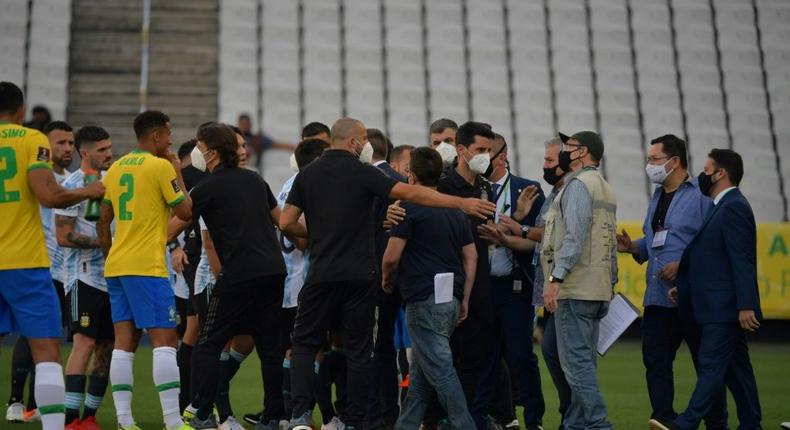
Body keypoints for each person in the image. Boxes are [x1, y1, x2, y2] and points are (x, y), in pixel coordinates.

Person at [279, 117, 495, 430]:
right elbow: (414, 193)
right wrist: (460, 202)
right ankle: (355, 419)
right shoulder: (364, 174)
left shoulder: (307, 175)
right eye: (363, 138)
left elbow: (286, 222)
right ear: (353, 142)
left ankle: (300, 416)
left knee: (304, 342)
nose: (366, 144)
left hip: (321, 273)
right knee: (359, 348)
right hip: (359, 275)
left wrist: (313, 236)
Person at [164, 124, 284, 430]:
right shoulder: (255, 179)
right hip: (273, 271)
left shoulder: (207, 186)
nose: (197, 154)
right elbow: (283, 221)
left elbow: (181, 217)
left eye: (201, 148)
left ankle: (201, 411)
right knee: (270, 348)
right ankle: (272, 417)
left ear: (213, 153)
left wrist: (176, 172)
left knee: (208, 342)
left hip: (239, 275)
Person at [0, 81, 105, 430]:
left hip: (49, 265)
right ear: (20, 110)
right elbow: (48, 196)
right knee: (46, 350)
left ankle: (21, 404)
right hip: (23, 260)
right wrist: (90, 190)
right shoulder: (31, 141)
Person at [616, 135, 727, 428]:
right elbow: (660, 240)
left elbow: (713, 243)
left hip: (690, 296)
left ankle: (718, 423)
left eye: (654, 159)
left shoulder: (702, 196)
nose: (649, 165)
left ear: (674, 161)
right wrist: (635, 247)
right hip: (657, 296)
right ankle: (664, 419)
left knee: (706, 365)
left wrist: (684, 265)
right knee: (654, 361)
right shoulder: (658, 195)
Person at [649, 149, 763, 430]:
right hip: (715, 304)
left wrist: (746, 305)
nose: (703, 175)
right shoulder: (720, 206)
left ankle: (685, 423)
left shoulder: (733, 206)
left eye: (707, 169)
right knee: (738, 373)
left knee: (711, 366)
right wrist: (684, 288)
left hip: (722, 308)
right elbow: (710, 260)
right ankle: (751, 424)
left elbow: (742, 260)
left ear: (720, 173)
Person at [97, 110, 192, 430]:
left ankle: (124, 419)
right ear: (155, 137)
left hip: (117, 266)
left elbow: (102, 219)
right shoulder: (160, 166)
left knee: (124, 341)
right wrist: (177, 169)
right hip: (147, 266)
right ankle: (173, 421)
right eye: (168, 134)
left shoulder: (115, 168)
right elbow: (185, 210)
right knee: (165, 340)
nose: (170, 139)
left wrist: (111, 254)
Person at [381, 147, 478, 429]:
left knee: (441, 370)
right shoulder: (455, 209)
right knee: (422, 377)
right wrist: (466, 297)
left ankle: (465, 425)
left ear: (411, 175)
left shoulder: (406, 208)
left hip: (422, 296)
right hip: (450, 296)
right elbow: (470, 256)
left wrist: (387, 280)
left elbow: (391, 256)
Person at [540, 131, 617, 430]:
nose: (563, 150)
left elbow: (573, 238)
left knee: (576, 367)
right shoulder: (604, 188)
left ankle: (599, 426)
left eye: (568, 146)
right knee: (582, 364)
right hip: (597, 287)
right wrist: (611, 284)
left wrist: (555, 277)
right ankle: (574, 426)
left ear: (582, 152)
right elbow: (608, 245)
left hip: (575, 286)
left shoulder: (578, 186)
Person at [472, 134, 546, 430]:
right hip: (481, 288)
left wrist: (513, 229)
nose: (483, 157)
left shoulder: (527, 189)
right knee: (483, 355)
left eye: (488, 152)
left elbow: (541, 237)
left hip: (514, 286)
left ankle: (534, 419)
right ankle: (479, 418)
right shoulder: (471, 188)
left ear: (503, 156)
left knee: (520, 355)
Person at [6, 119, 75, 424]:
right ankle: (15, 400)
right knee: (36, 337)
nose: (66, 148)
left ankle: (35, 404)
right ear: (46, 146)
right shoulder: (38, 169)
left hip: (62, 268)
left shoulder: (71, 179)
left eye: (70, 143)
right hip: (32, 261)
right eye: (60, 143)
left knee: (47, 337)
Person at [54, 126, 115, 430]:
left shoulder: (112, 181)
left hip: (112, 277)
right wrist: (104, 244)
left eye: (109, 148)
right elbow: (64, 236)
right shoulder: (73, 185)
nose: (109, 154)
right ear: (85, 153)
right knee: (84, 345)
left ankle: (89, 418)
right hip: (84, 277)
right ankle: (69, 420)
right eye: (102, 150)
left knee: (107, 347)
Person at [367, 128, 406, 430]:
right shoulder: (402, 183)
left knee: (374, 350)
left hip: (375, 277)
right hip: (401, 278)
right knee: (391, 350)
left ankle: (376, 415)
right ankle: (393, 413)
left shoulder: (371, 183)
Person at [171, 139, 209, 413]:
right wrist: (175, 246)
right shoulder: (195, 181)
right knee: (197, 331)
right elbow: (171, 219)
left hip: (189, 259)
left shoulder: (194, 179)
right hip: (194, 260)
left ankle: (188, 400)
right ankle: (194, 401)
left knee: (192, 330)